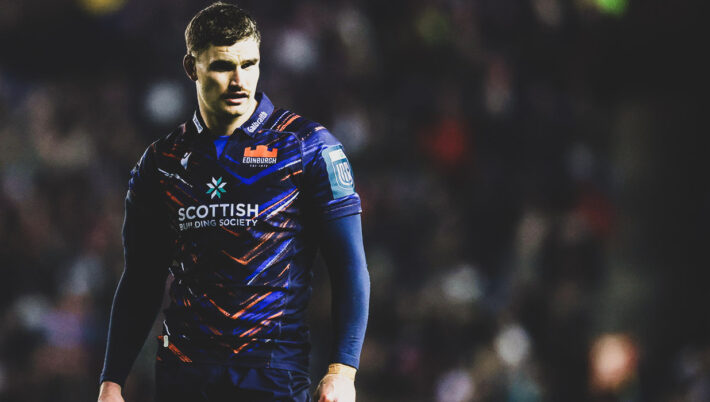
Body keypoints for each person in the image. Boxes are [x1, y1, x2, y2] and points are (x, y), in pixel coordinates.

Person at [96, 3, 370, 401]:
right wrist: (112, 381)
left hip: (272, 373)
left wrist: (343, 370)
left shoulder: (307, 147)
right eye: (223, 66)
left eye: (249, 64)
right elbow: (140, 279)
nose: (240, 80)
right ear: (191, 68)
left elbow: (349, 266)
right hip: (182, 374)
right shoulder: (161, 162)